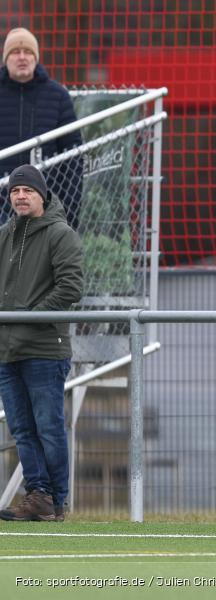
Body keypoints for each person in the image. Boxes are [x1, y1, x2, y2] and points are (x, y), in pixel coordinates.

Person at [0, 164, 83, 522]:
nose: (20, 196)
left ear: (42, 196)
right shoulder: (4, 235)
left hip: (45, 350)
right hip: (7, 350)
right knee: (21, 429)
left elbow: (71, 287)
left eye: (27, 191)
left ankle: (57, 502)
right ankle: (38, 497)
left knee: (49, 428)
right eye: (15, 191)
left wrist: (30, 316)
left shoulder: (60, 234)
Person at [1, 27, 83, 227]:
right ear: (6, 58)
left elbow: (73, 154)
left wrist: (68, 210)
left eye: (28, 51)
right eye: (15, 52)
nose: (22, 57)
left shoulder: (57, 96)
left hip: (44, 205)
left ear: (36, 57)